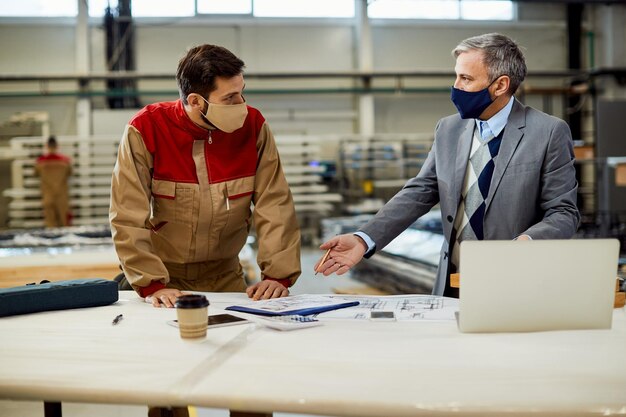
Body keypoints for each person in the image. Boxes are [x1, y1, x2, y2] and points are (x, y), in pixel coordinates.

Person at [315, 33, 580, 297]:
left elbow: (563, 212)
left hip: (515, 281)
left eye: (466, 78)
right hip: (452, 282)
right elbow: (418, 192)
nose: (456, 86)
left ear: (500, 85)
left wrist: (525, 244)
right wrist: (364, 238)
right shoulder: (449, 129)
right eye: (456, 76)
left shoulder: (547, 132)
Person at [109, 44, 301, 308]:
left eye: (241, 93)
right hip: (165, 280)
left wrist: (278, 275)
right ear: (196, 101)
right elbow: (127, 212)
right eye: (230, 98)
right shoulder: (146, 129)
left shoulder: (254, 127)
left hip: (226, 277)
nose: (242, 105)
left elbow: (274, 203)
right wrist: (151, 283)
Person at [35, 135, 72, 228]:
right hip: (62, 195)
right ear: (57, 146)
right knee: (64, 221)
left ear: (47, 146)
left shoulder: (40, 162)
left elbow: (35, 173)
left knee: (50, 223)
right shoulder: (65, 161)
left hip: (47, 194)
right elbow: (70, 173)